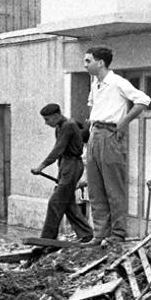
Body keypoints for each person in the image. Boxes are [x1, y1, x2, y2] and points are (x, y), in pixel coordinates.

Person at [83, 46, 151, 246]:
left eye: (88, 61)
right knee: (95, 188)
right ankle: (100, 234)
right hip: (95, 133)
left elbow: (143, 100)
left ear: (100, 62)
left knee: (113, 186)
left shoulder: (117, 82)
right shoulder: (96, 84)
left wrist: (124, 123)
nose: (85, 65)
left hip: (109, 134)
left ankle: (118, 233)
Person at [31, 103, 93, 243]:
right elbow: (61, 152)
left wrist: (42, 166)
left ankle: (47, 239)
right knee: (68, 203)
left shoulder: (68, 125)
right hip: (65, 166)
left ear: (56, 115)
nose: (46, 123)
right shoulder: (60, 127)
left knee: (55, 201)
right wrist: (60, 172)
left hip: (72, 166)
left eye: (47, 119)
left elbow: (58, 149)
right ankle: (86, 234)